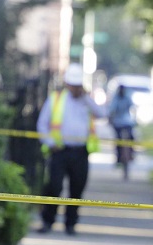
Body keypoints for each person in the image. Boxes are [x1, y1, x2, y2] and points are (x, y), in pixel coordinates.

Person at [36, 63, 106, 234]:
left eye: (78, 85)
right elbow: (42, 124)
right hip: (60, 151)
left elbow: (102, 114)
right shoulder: (56, 99)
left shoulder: (87, 101)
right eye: (73, 85)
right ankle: (48, 220)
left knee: (77, 188)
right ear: (67, 84)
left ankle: (70, 224)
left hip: (80, 152)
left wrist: (87, 98)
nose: (75, 89)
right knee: (54, 186)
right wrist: (49, 142)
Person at [108, 85, 136, 180]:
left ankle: (131, 153)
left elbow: (132, 107)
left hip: (126, 123)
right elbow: (112, 110)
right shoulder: (116, 98)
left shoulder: (127, 97)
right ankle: (119, 157)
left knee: (131, 139)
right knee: (118, 141)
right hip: (119, 123)